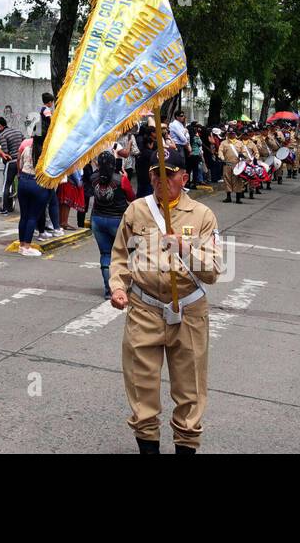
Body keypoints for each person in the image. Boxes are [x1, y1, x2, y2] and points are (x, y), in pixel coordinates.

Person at [109, 150, 223, 454]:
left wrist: (186, 248)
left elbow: (213, 271)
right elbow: (120, 255)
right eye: (156, 174)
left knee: (190, 392)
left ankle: (186, 445)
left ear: (183, 178)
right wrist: (119, 286)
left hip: (188, 311)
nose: (161, 180)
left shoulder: (202, 216)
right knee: (141, 387)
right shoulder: (136, 211)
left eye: (169, 174)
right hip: (144, 309)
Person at [90, 150, 129, 293]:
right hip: (117, 220)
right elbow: (132, 196)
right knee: (123, 253)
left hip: (98, 219)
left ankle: (108, 290)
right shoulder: (121, 179)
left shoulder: (93, 177)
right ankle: (121, 286)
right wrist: (126, 178)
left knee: (106, 254)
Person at [0, 116, 24, 214]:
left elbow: (5, 152)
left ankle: (4, 209)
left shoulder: (3, 135)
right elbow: (24, 145)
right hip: (21, 162)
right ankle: (25, 207)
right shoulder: (18, 132)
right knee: (22, 185)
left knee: (6, 185)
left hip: (11, 163)